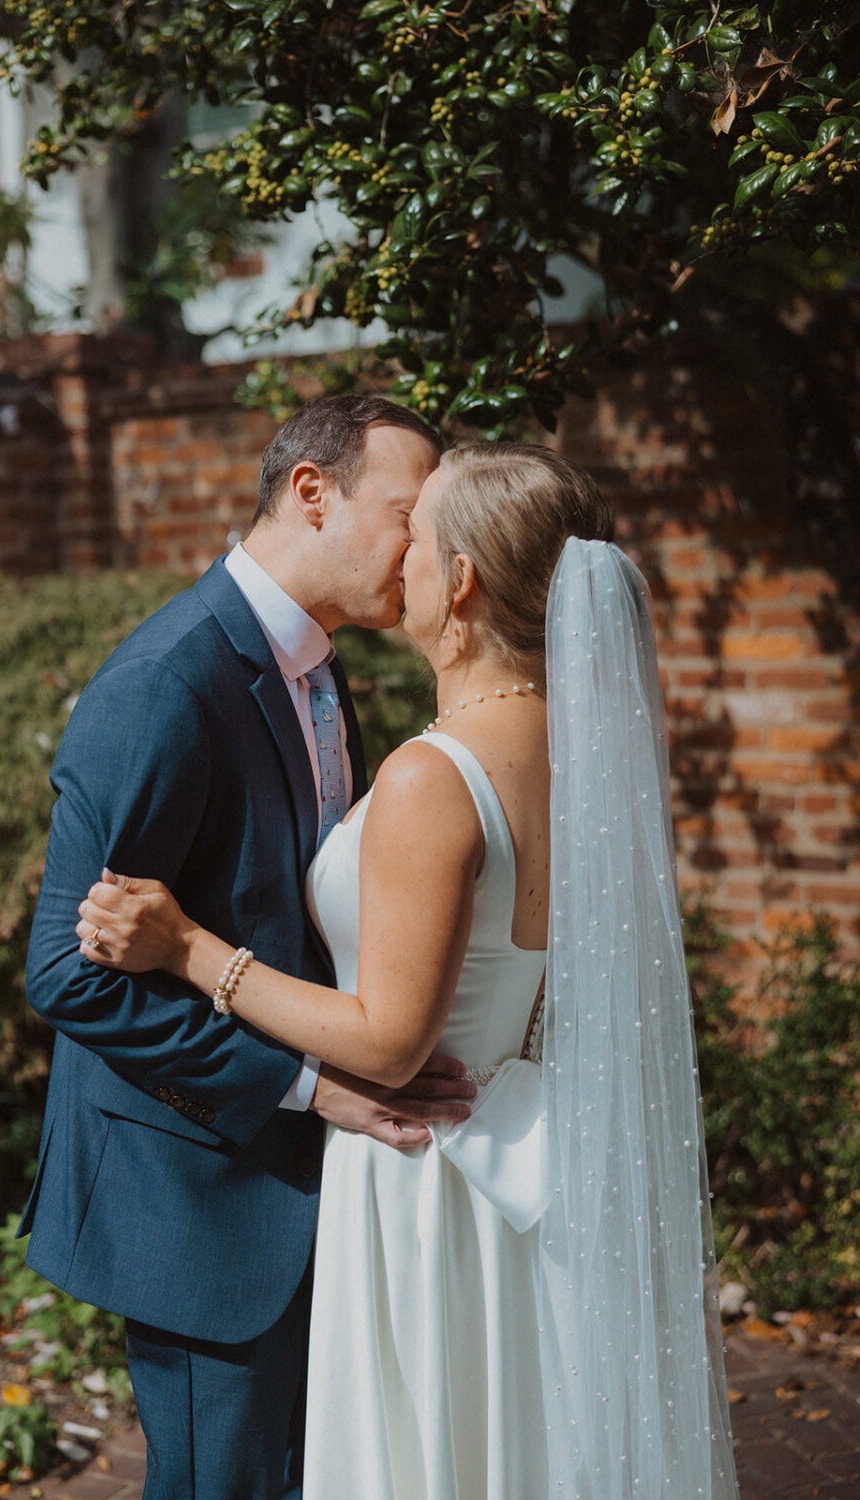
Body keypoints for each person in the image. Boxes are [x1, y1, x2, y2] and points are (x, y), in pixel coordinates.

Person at [78, 443, 741, 1500]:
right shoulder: (577, 746)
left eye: (417, 539)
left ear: (463, 579)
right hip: (523, 1163)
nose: (401, 562)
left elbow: (391, 1040)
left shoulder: (436, 773)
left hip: (423, 1173)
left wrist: (190, 949)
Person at [19, 394, 478, 1500]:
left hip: (307, 1189)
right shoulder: (166, 685)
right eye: (407, 516)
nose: (424, 551)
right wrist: (310, 1087)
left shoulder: (320, 671)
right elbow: (65, 971)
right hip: (195, 1199)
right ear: (311, 494)